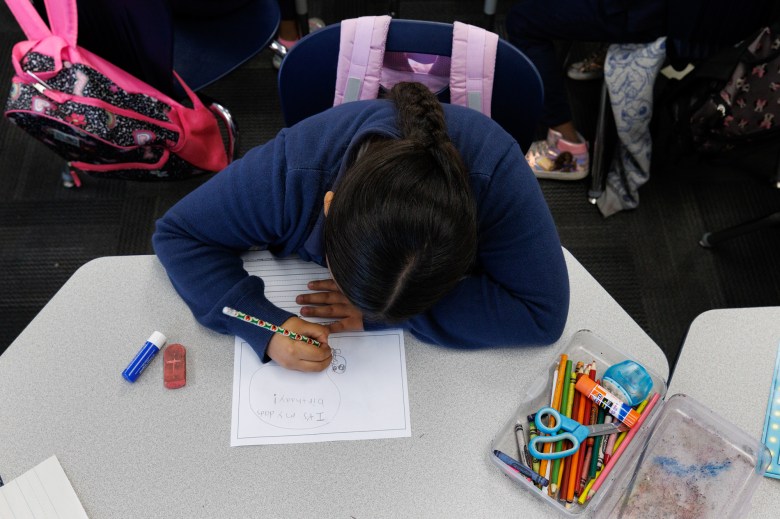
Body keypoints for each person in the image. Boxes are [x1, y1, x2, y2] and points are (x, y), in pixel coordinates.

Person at [153, 82, 570, 372]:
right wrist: (263, 324)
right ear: (328, 207)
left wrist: (382, 316)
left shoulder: (496, 172)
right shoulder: (292, 170)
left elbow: (542, 315)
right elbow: (178, 234)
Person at [505, 0, 773, 181]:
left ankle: (568, 149)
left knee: (523, 20)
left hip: (686, 17)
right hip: (726, 17)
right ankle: (608, 44)